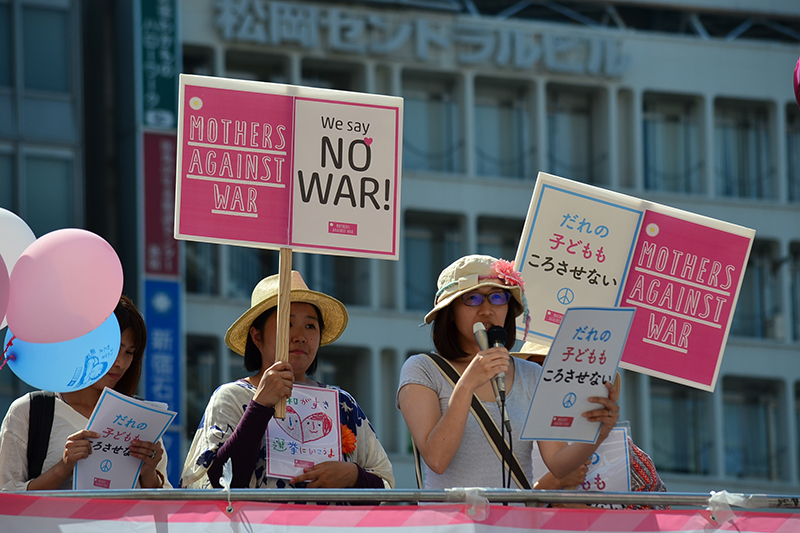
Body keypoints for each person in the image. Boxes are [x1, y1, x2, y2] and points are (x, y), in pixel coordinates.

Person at [397, 254, 620, 490]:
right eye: (472, 298)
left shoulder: (532, 374)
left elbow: (558, 464)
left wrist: (600, 431)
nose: (486, 309)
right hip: (453, 523)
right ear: (450, 312)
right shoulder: (422, 369)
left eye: (497, 297)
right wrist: (467, 384)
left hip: (515, 522)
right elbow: (437, 459)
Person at [181, 271, 394, 489]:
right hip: (258, 524)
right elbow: (216, 484)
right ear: (257, 336)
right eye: (287, 324)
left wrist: (354, 476)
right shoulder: (232, 398)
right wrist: (259, 407)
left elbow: (386, 484)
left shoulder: (342, 404)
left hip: (330, 524)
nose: (300, 336)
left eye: (310, 326)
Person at [0, 295, 169, 490]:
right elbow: (7, 497)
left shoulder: (140, 416)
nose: (120, 363)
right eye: (113, 349)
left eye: (129, 353)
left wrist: (149, 474)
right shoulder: (29, 411)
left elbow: (166, 503)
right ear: (83, 342)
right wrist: (62, 468)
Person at [521, 340, 667, 509]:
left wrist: (583, 512)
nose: (552, 383)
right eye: (538, 371)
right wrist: (550, 483)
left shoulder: (623, 453)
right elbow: (493, 509)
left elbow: (658, 516)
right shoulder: (510, 438)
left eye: (567, 373)